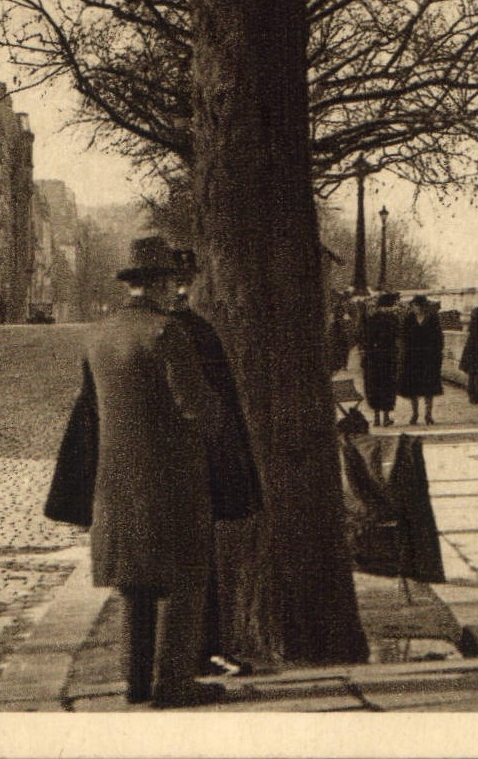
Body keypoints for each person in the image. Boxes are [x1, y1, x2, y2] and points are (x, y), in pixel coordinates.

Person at [85, 237, 222, 707]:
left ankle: (136, 683)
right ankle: (174, 684)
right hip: (171, 477)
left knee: (134, 585)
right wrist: (217, 411)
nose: (177, 291)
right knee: (185, 580)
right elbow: (194, 406)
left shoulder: (100, 333)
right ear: (161, 283)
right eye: (173, 282)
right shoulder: (167, 333)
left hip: (115, 482)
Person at [170, 251, 261, 680]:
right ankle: (198, 653)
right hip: (194, 467)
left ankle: (175, 658)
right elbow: (214, 409)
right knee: (197, 564)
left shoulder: (170, 329)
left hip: (156, 472)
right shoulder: (189, 331)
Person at [397, 294, 444, 425]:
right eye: (414, 306)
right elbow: (403, 338)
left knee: (429, 387)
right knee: (413, 388)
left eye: (418, 306)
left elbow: (439, 338)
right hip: (412, 358)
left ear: (423, 307)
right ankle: (415, 414)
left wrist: (437, 354)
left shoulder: (432, 319)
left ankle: (428, 415)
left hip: (428, 357)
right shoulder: (408, 319)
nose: (416, 308)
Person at [360, 292, 402, 427]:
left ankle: (377, 417)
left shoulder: (371, 319)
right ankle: (385, 417)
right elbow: (398, 337)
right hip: (388, 359)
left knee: (374, 386)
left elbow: (364, 339)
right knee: (388, 386)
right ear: (387, 306)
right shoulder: (393, 319)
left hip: (372, 359)